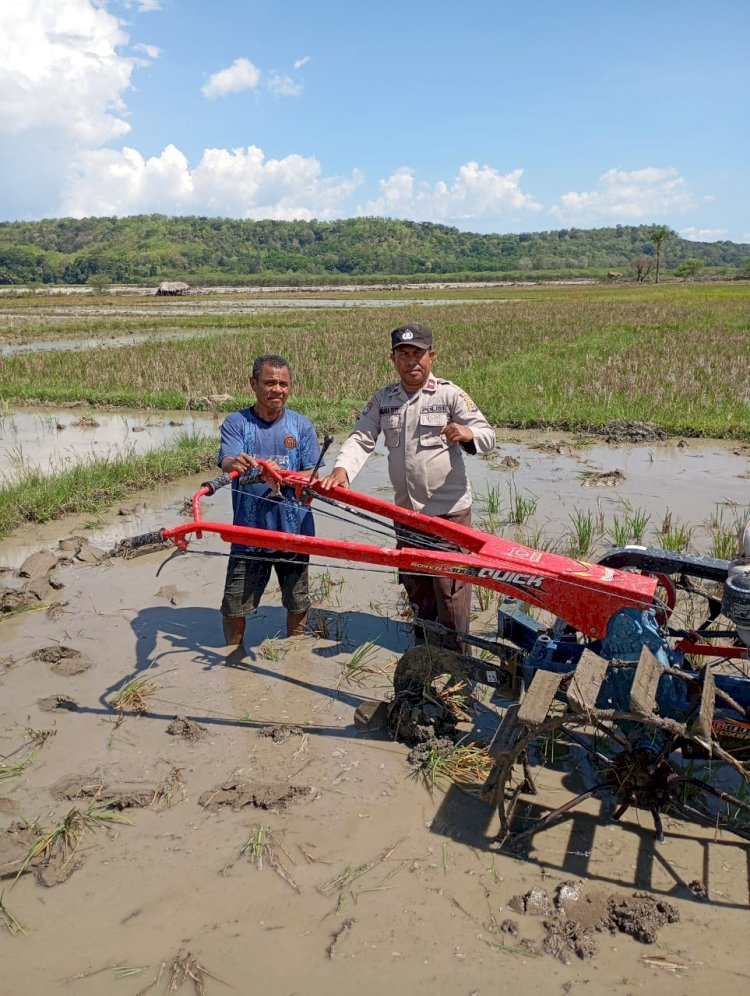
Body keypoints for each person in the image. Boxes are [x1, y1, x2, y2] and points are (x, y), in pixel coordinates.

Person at [320, 323, 495, 652]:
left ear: (432, 356)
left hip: (449, 516)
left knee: (451, 590)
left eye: (418, 353)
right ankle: (426, 651)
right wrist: (342, 469)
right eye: (403, 354)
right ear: (393, 358)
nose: (411, 360)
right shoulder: (383, 400)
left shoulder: (449, 394)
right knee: (416, 585)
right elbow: (361, 438)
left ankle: (458, 662)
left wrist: (468, 435)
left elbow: (487, 434)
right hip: (407, 516)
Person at [218, 354, 321, 646]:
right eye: (269, 383)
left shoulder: (301, 426)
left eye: (283, 384)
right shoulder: (237, 423)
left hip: (294, 532)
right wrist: (238, 464)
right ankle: (233, 654)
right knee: (234, 606)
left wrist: (285, 476)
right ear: (253, 384)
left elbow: (312, 471)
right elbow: (228, 460)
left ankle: (296, 652)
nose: (277, 389)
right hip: (249, 534)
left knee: (297, 602)